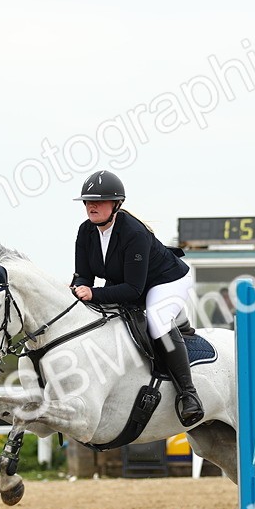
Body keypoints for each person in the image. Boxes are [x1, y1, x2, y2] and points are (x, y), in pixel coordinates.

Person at [70, 170, 204, 427]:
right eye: (88, 201)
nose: (91, 206)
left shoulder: (134, 233)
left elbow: (133, 290)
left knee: (156, 319)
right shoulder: (85, 232)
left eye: (99, 201)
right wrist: (78, 288)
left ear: (116, 204)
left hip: (166, 281)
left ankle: (189, 394)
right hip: (129, 282)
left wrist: (93, 293)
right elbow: (83, 276)